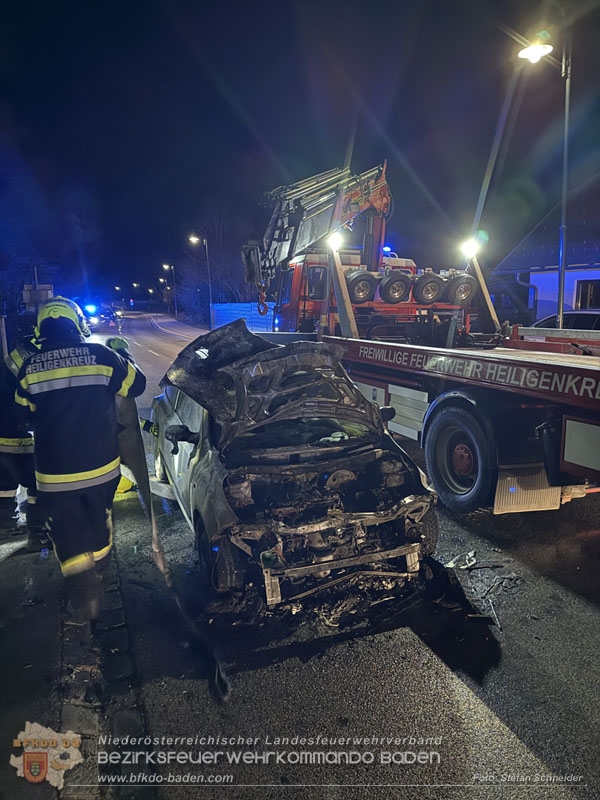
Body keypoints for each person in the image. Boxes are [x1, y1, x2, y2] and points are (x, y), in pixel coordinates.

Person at [14, 297, 146, 620]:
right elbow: (137, 385)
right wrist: (123, 354)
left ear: (41, 329)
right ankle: (99, 572)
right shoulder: (103, 356)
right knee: (99, 523)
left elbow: (23, 417)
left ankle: (81, 592)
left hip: (54, 477)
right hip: (101, 470)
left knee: (66, 532)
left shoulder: (30, 368)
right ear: (76, 325)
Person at [0, 335, 46, 545]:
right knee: (38, 484)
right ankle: (38, 533)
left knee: (5, 483)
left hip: (3, 431)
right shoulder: (41, 357)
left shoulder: (23, 349)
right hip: (24, 437)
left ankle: (5, 525)